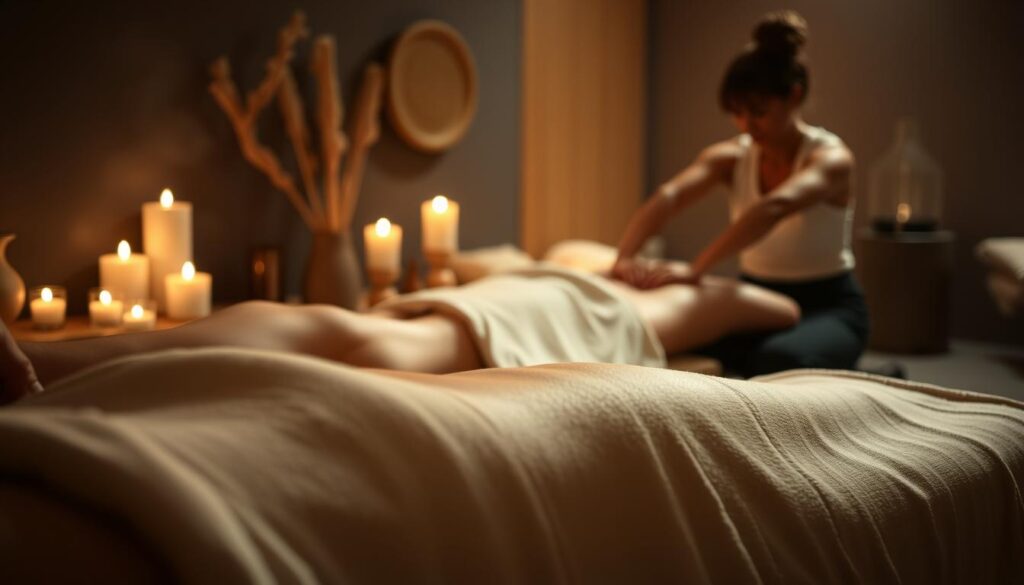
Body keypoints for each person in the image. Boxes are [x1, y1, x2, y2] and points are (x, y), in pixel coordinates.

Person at [0, 264, 799, 405]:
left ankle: (47, 360)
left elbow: (778, 310)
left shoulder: (654, 304)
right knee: (332, 331)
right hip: (482, 311)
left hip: (479, 320)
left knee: (325, 331)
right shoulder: (571, 270)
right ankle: (42, 363)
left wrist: (687, 273)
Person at [613, 10, 868, 377]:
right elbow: (670, 196)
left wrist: (695, 270)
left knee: (779, 361)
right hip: (757, 298)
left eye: (759, 112)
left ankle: (882, 374)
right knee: (692, 344)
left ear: (793, 96)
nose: (747, 125)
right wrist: (624, 257)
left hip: (828, 305)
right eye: (737, 113)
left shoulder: (831, 159)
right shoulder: (732, 156)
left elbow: (774, 208)